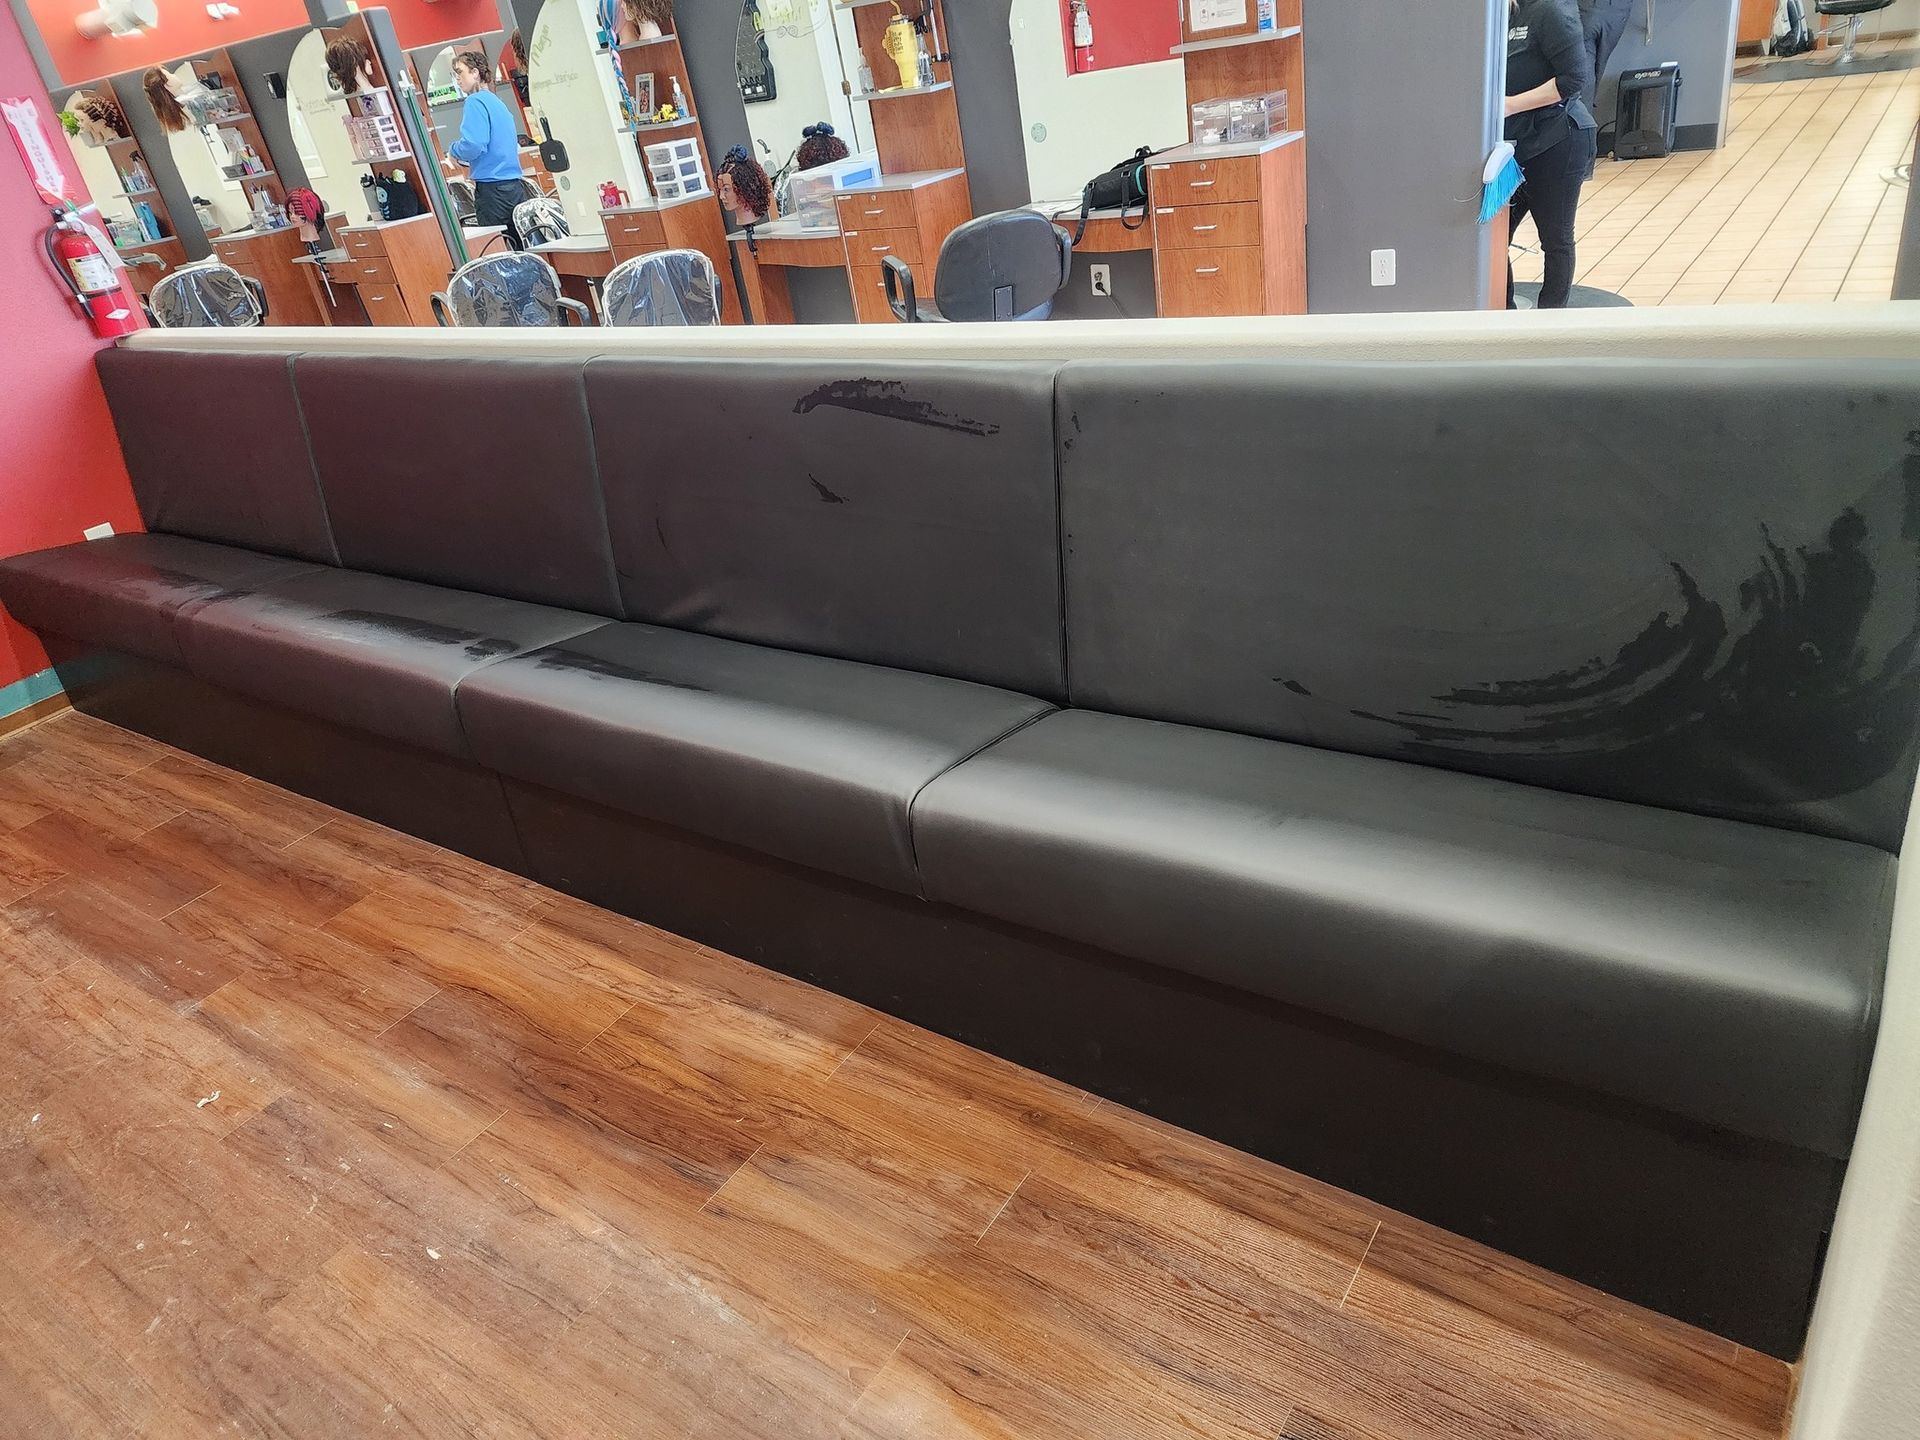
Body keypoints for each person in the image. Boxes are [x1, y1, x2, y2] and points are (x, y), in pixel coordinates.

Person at [1506, 0, 1597, 308]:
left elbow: (1573, 79)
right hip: (1512, 148)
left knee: (1555, 240)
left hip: (1558, 140)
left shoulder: (1552, 10)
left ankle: (1549, 322)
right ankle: (1503, 314)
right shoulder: (1500, 15)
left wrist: (1507, 105)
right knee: (1495, 238)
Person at [448, 50, 527, 250]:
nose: (457, 79)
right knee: (520, 248)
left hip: (492, 192)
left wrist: (454, 151)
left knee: (500, 252)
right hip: (515, 188)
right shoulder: (497, 103)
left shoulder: (475, 102)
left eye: (460, 73)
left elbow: (474, 145)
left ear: (475, 73)